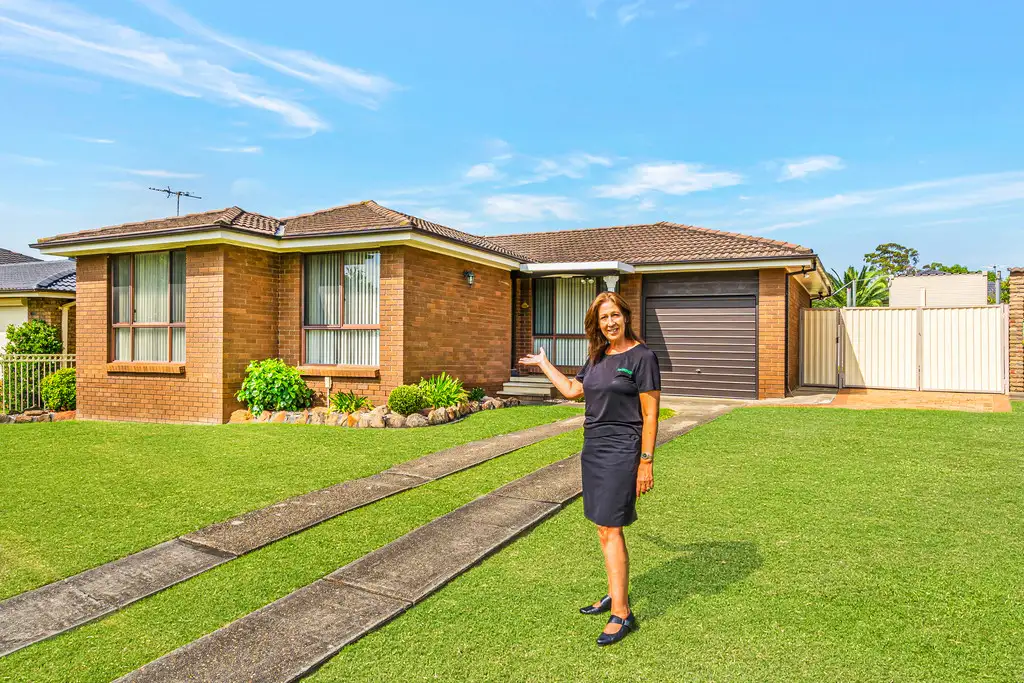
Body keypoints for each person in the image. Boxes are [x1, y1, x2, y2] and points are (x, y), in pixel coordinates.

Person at [519, 290, 661, 646]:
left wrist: (646, 461)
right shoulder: (598, 357)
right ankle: (615, 593)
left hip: (622, 450)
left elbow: (650, 414)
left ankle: (623, 613)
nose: (610, 322)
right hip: (593, 449)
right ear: (596, 325)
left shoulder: (642, 357)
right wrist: (544, 363)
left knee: (611, 528)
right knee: (602, 527)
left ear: (625, 316)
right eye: (603, 318)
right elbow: (570, 390)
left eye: (615, 315)